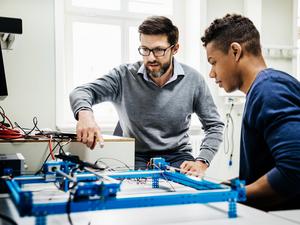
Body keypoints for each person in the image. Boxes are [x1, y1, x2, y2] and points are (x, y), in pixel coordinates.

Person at [70, 16, 224, 175]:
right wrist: (85, 115)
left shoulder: (193, 80)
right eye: (145, 49)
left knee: (189, 194)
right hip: (135, 156)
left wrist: (201, 162)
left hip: (178, 157)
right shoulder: (123, 76)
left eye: (158, 50)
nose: (150, 58)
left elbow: (214, 126)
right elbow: (81, 92)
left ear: (175, 49)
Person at [201, 13, 300, 211]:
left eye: (213, 62)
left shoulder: (269, 89)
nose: (212, 73)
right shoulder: (263, 89)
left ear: (235, 51)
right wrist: (229, 186)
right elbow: (266, 169)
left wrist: (231, 195)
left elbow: (294, 169)